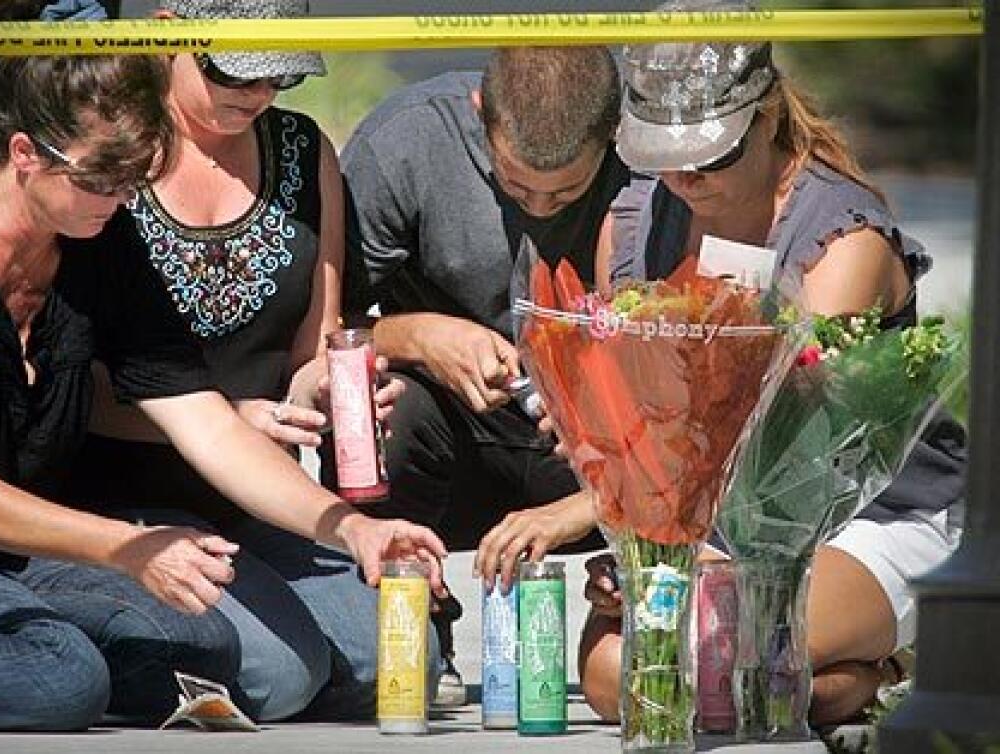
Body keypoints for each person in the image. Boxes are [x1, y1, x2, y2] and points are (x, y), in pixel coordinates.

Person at [0, 53, 446, 730]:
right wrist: (126, 548)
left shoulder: (98, 242)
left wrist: (352, 527)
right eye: (100, 178)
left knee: (206, 642)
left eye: (133, 180)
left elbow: (211, 426)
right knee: (59, 673)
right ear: (24, 153)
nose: (119, 199)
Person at [577, 30, 967, 725]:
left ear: (766, 120)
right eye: (666, 159)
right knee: (617, 681)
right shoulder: (633, 222)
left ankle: (862, 654)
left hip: (867, 513)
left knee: (716, 663)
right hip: (714, 518)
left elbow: (780, 434)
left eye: (711, 155)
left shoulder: (844, 241)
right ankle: (851, 682)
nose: (686, 181)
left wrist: (576, 514)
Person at [57, 0, 429, 722]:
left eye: (280, 76)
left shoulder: (301, 148)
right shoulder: (109, 152)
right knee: (283, 676)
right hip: (119, 489)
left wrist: (334, 395)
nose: (257, 96)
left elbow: (315, 346)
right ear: (169, 31)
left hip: (261, 498)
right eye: (236, 71)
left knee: (396, 657)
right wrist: (228, 419)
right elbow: (72, 390)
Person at [338, 45, 627, 700]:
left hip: (595, 449)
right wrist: (418, 335)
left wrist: (606, 396)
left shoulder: (651, 166)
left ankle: (629, 595)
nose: (545, 207)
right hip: (451, 434)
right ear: (480, 116)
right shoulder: (407, 142)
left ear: (614, 136)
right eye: (519, 186)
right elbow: (322, 330)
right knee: (375, 398)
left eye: (569, 190)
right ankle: (414, 618)